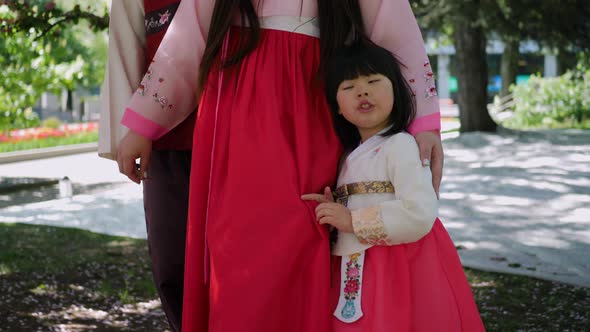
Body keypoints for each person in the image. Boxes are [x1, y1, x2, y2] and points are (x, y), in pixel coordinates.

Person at [116, 1, 445, 331]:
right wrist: (144, 124)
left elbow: (395, 30)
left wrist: (423, 121)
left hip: (314, 103)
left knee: (307, 229)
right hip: (240, 102)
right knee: (239, 242)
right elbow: (186, 39)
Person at [302, 43, 484, 331]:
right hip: (355, 264)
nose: (363, 91)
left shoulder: (400, 144)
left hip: (396, 265)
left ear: (396, 92)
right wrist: (337, 206)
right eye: (349, 87)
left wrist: (352, 220)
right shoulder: (347, 155)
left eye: (373, 81)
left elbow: (420, 211)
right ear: (336, 105)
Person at [97, 1, 194, 330]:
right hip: (163, 140)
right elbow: (127, 46)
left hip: (234, 135)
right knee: (172, 266)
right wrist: (131, 130)